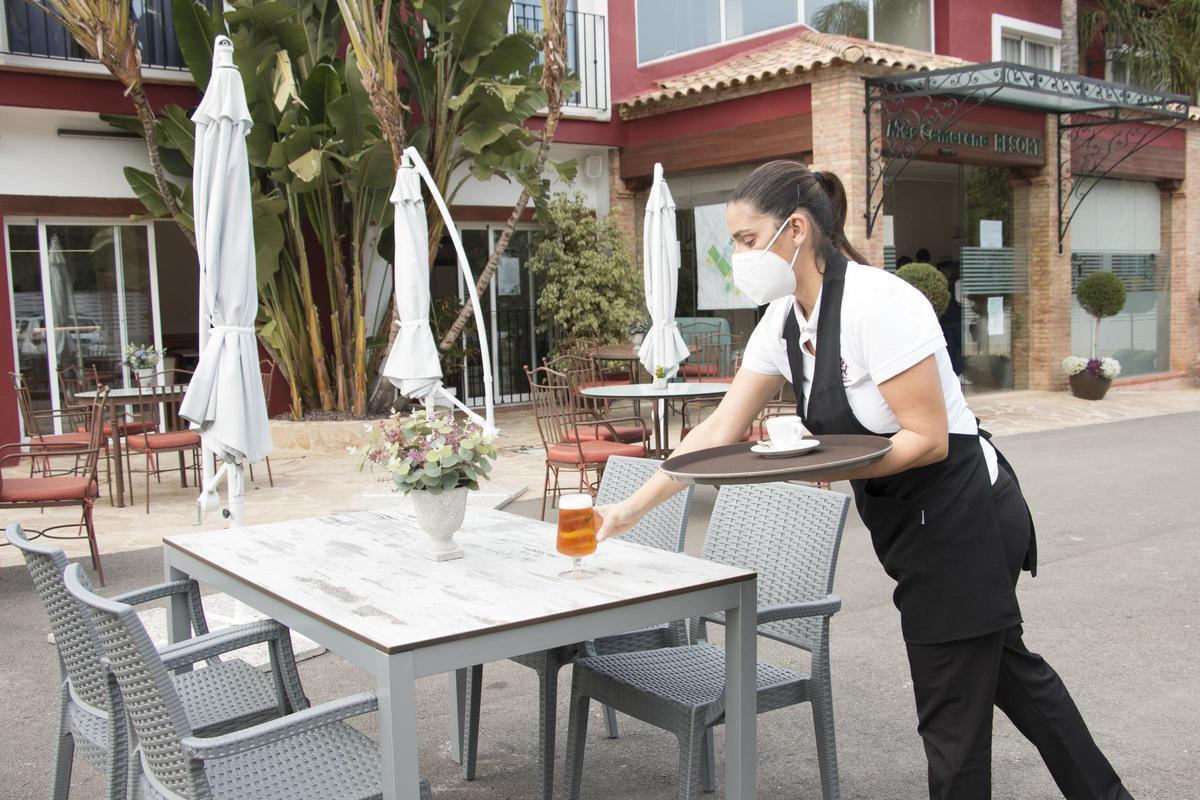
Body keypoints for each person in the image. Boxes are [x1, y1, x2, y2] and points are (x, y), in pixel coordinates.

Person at [594, 160, 1134, 800]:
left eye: (746, 239)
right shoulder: (784, 321)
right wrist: (632, 508)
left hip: (965, 520)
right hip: (912, 525)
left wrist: (817, 464)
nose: (737, 256)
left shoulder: (881, 304)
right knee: (1011, 678)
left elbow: (928, 438)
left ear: (796, 230)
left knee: (951, 723)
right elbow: (718, 430)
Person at [937, 259, 964, 377]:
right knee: (957, 349)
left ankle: (955, 373)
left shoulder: (944, 286)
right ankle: (957, 373)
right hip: (954, 321)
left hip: (948, 321)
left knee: (952, 349)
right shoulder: (957, 284)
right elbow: (961, 301)